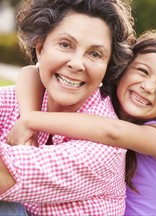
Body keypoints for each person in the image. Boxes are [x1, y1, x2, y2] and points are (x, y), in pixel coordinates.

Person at [7, 30, 156, 215]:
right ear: (121, 70)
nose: (148, 87)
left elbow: (113, 132)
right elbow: (31, 72)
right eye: (143, 71)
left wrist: (33, 120)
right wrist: (28, 117)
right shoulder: (105, 106)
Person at [0, 0, 136, 215]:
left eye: (95, 54)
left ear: (107, 67)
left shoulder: (105, 148)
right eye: (65, 44)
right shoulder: (14, 101)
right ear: (40, 47)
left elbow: (4, 175)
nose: (77, 63)